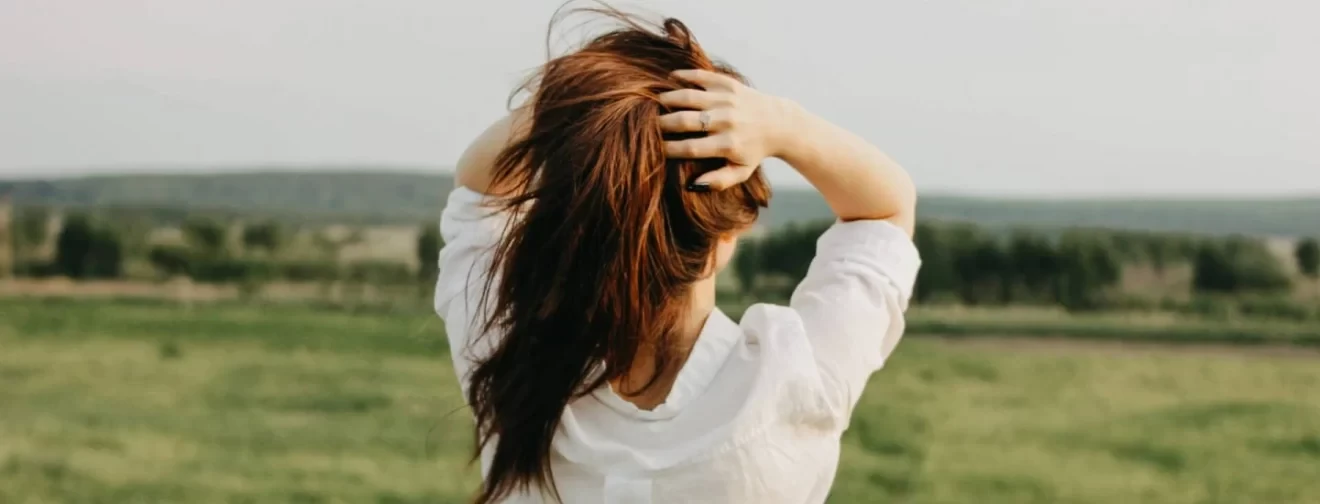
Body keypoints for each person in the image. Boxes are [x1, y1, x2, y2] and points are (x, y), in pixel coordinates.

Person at [435, 8, 919, 504]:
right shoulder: (793, 381)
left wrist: (588, 108)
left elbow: (479, 192)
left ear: (571, 226)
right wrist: (782, 124)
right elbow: (883, 213)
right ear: (730, 230)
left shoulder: (509, 364)